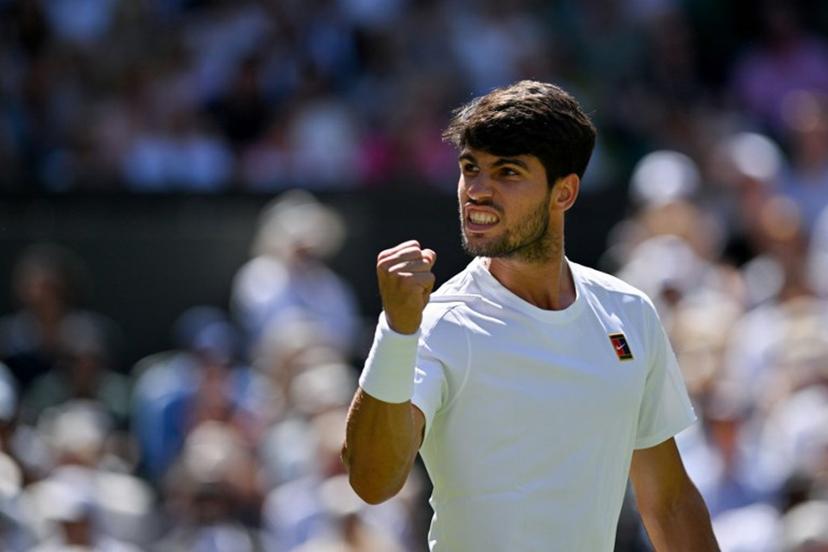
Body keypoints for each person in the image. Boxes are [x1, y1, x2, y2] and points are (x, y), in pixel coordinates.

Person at [342, 80, 719, 551]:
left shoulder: (629, 314)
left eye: (507, 172)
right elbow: (372, 482)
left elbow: (669, 502)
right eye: (470, 168)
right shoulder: (434, 324)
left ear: (564, 193)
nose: (477, 191)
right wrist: (398, 330)